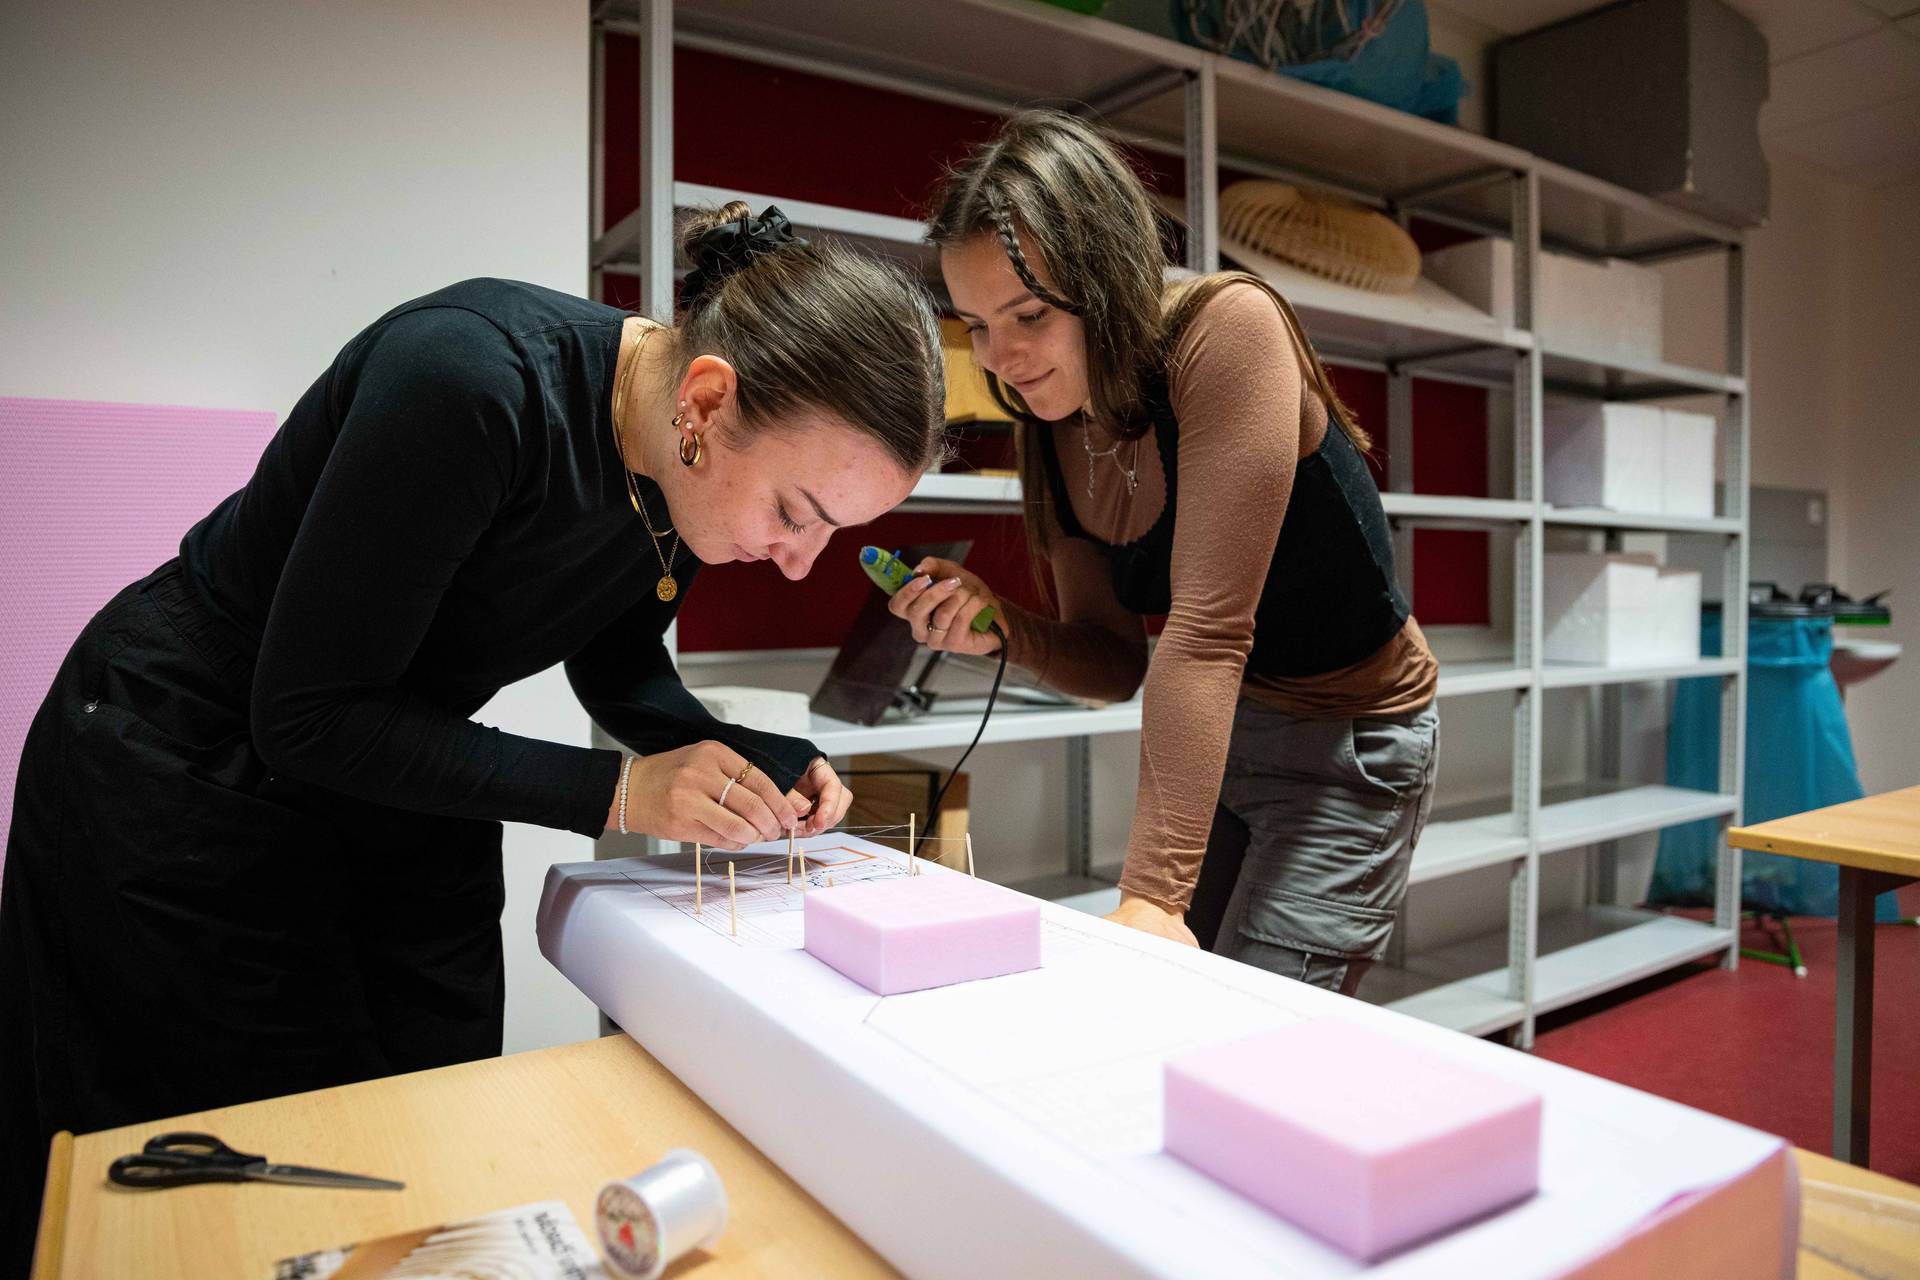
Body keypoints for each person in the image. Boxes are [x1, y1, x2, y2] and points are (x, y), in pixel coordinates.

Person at [0, 201, 945, 1264]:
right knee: (229, 1185)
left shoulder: (680, 466)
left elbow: (619, 660)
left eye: (831, 531)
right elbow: (308, 712)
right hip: (188, 755)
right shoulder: (471, 381)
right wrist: (620, 794)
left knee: (432, 1127)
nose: (799, 560)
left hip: (392, 766)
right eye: (796, 511)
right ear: (707, 399)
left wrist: (751, 759)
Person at [896, 110, 1440, 994]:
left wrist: (1152, 896)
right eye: (976, 325)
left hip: (1351, 743)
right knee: (1185, 1006)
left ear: (1107, 276)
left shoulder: (1227, 330)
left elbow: (1209, 632)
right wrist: (1003, 630)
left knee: (1260, 1028)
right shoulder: (1051, 416)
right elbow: (1115, 662)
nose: (1001, 357)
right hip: (1228, 736)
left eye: (1028, 314)